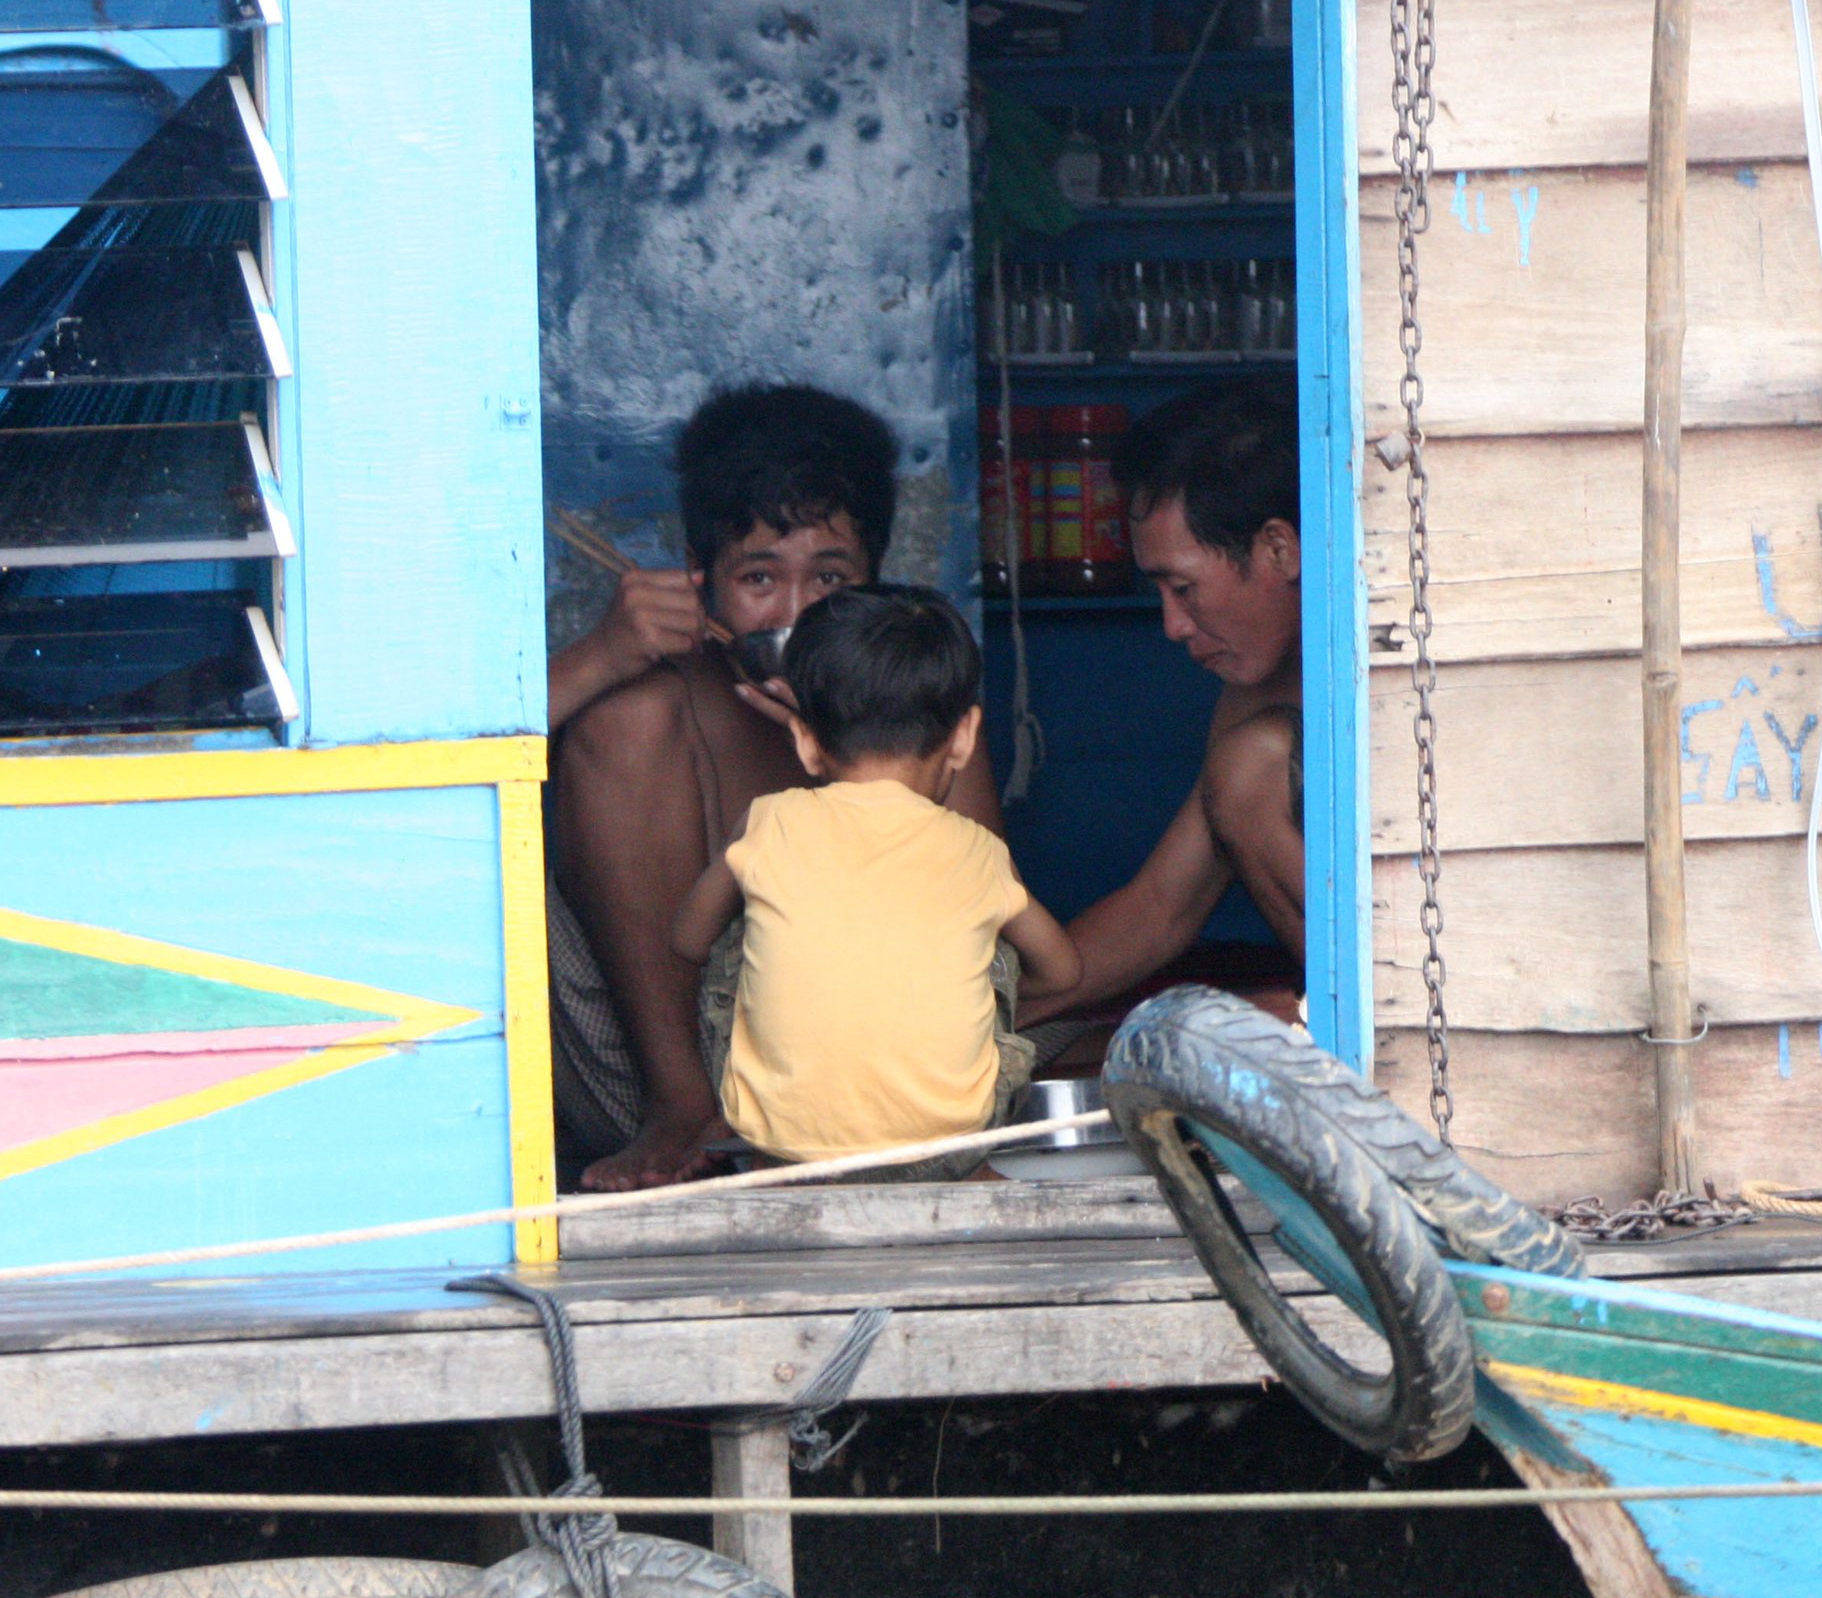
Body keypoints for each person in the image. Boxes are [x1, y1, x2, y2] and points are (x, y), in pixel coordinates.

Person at [547, 385, 1005, 1189]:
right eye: (760, 576)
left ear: (875, 580)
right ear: (702, 583)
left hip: (874, 1071)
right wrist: (597, 658)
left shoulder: (918, 710)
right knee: (622, 718)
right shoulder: (660, 701)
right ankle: (681, 1102)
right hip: (650, 1075)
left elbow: (981, 914)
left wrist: (852, 743)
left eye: (830, 580)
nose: (798, 613)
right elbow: (443, 769)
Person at [670, 586, 1079, 1179]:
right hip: (947, 1143)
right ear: (964, 736)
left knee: (741, 929)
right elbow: (1066, 972)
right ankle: (967, 1164)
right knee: (992, 938)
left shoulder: (766, 823)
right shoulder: (980, 851)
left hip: (788, 1150)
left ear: (806, 741)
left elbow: (687, 941)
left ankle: (764, 1136)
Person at [1020, 375, 1305, 1024]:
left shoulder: (1398, 658)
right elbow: (1161, 906)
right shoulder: (1251, 692)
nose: (1173, 626)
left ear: (1278, 548)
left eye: (1183, 587)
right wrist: (974, 1017)